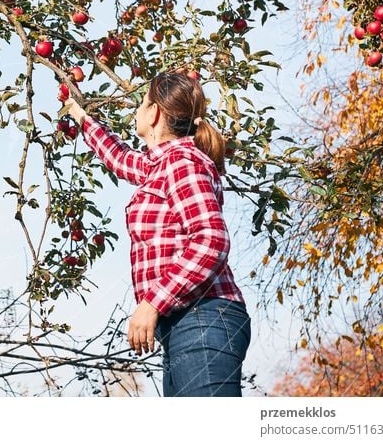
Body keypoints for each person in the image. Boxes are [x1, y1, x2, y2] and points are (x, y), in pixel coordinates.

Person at [64, 71, 251, 397]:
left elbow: (211, 239)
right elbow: (119, 158)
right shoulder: (160, 166)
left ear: (154, 113)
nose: (137, 110)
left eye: (142, 102)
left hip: (204, 317)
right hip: (185, 323)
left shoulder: (182, 161)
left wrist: (151, 303)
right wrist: (79, 112)